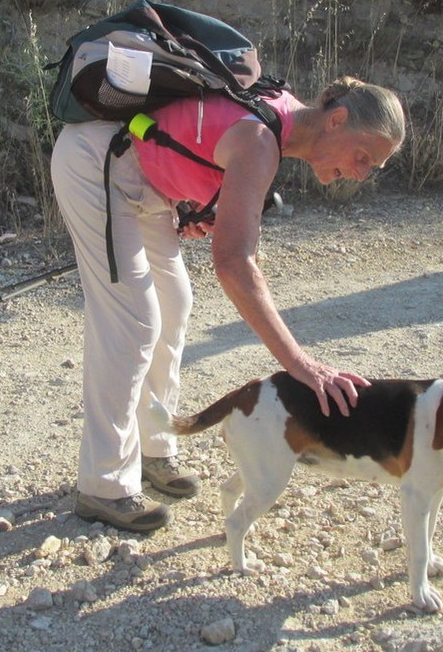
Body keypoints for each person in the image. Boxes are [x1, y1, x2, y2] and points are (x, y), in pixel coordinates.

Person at [50, 75, 406, 532]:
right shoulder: (262, 140)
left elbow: (192, 136)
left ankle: (153, 450)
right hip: (96, 163)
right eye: (363, 157)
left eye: (371, 168)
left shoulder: (278, 118)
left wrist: (192, 206)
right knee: (133, 321)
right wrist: (301, 364)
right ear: (337, 120)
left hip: (142, 176)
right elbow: (234, 262)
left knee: (174, 301)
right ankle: (104, 484)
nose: (361, 173)